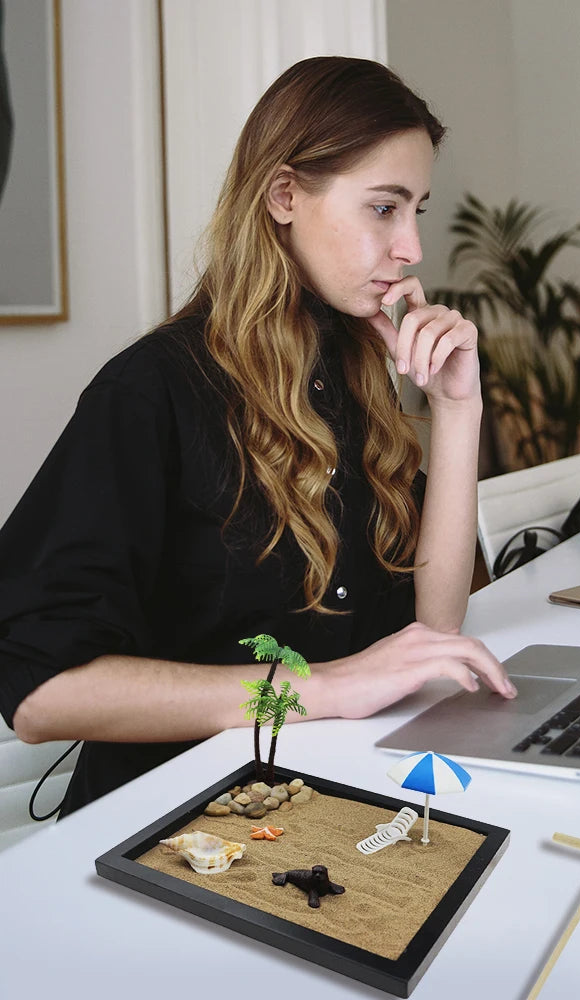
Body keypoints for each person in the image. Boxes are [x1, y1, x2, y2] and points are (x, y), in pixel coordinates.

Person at [0, 56, 516, 817]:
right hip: (176, 822)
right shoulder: (152, 390)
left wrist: (456, 408)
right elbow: (41, 694)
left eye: (418, 211)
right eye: (383, 208)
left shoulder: (352, 366)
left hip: (322, 797)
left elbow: (432, 631)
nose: (410, 247)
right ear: (283, 195)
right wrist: (322, 688)